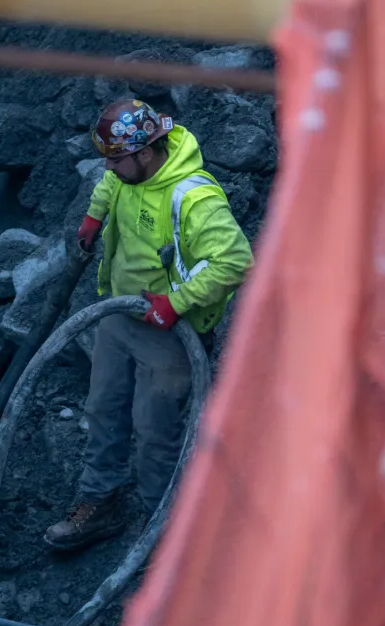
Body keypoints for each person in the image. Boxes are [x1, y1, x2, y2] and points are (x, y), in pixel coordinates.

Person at [44, 98, 254, 551]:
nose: (110, 168)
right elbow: (109, 184)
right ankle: (101, 502)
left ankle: (167, 531)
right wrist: (93, 217)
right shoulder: (127, 172)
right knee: (102, 410)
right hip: (120, 314)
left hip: (169, 335)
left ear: (145, 152)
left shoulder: (194, 198)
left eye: (117, 159)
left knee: (155, 430)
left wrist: (176, 304)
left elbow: (235, 260)